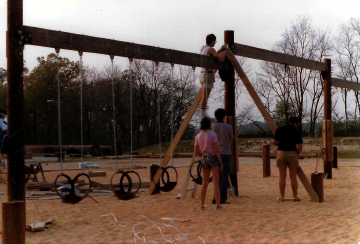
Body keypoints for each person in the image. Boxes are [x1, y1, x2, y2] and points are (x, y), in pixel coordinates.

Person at [194, 117, 223, 210]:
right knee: (215, 183)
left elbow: (195, 152)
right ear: (209, 125)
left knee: (204, 183)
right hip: (213, 157)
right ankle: (218, 205)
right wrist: (220, 163)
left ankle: (202, 205)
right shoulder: (213, 134)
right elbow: (216, 150)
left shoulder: (197, 136)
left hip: (204, 158)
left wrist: (202, 153)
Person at [273, 117, 303, 202]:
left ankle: (282, 197)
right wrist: (296, 154)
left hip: (281, 153)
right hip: (292, 153)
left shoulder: (280, 129)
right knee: (293, 177)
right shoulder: (296, 131)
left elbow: (274, 142)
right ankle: (295, 197)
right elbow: (300, 147)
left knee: (282, 177)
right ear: (296, 123)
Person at [199, 34, 227, 119]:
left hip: (202, 73)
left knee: (204, 95)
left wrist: (219, 50)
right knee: (205, 96)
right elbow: (221, 59)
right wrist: (224, 53)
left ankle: (203, 113)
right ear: (212, 41)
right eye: (215, 41)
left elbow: (212, 54)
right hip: (208, 74)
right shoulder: (211, 49)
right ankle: (203, 115)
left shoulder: (203, 48)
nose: (215, 43)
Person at [211, 108, 233, 204]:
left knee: (216, 177)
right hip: (225, 152)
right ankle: (222, 198)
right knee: (224, 176)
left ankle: (215, 196)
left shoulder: (212, 126)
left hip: (215, 153)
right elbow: (230, 140)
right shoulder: (228, 127)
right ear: (224, 116)